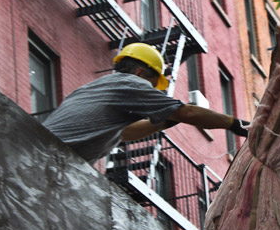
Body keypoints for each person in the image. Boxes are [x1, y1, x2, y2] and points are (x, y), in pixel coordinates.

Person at [43, 43, 249, 163]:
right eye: (152, 84)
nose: (153, 90)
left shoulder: (97, 88)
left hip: (47, 152)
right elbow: (187, 113)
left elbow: (125, 134)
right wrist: (235, 125)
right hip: (53, 156)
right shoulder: (129, 83)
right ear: (140, 72)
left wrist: (164, 121)